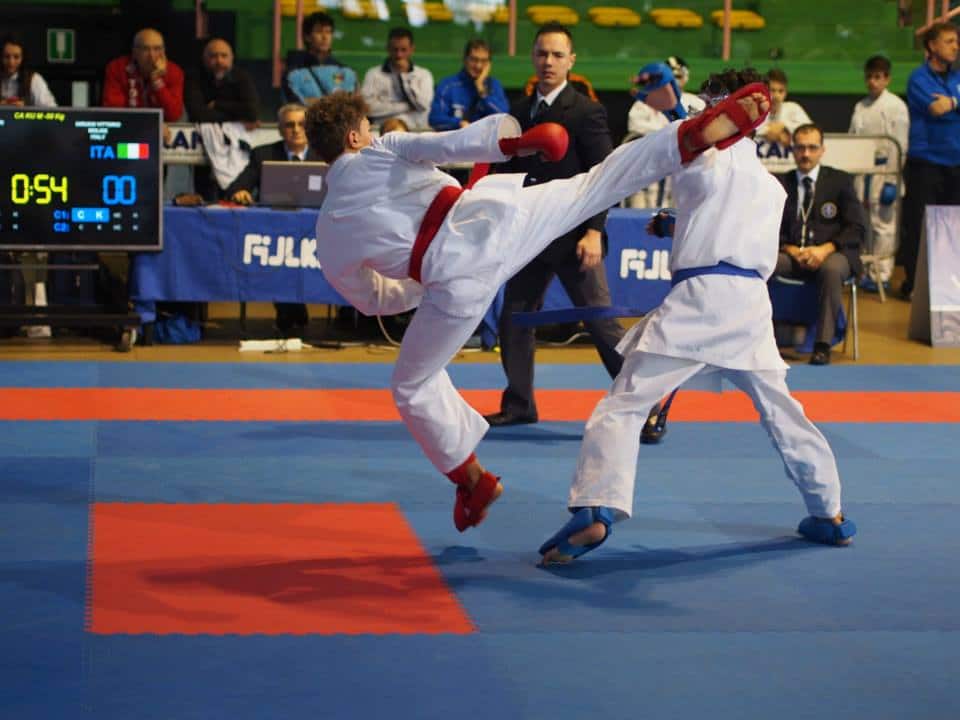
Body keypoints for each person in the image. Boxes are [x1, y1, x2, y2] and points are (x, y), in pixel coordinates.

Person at [305, 84, 771, 533]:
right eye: (367, 127)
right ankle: (684, 137)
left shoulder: (329, 232)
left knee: (411, 384)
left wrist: (414, 290)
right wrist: (516, 141)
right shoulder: (383, 149)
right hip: (495, 220)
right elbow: (452, 144)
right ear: (355, 136)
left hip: (452, 285)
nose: (372, 132)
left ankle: (472, 480)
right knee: (596, 184)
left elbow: (369, 298)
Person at [538, 70, 856, 566]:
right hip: (750, 305)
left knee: (624, 404)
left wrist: (670, 103)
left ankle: (596, 506)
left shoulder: (700, 154)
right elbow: (726, 214)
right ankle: (829, 512)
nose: (705, 112)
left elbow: (689, 140)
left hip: (700, 298)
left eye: (712, 104)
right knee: (783, 412)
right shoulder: (772, 187)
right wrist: (676, 223)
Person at [482, 23, 667, 441]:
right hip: (529, 236)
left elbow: (607, 177)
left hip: (575, 235)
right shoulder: (517, 113)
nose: (548, 62)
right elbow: (506, 172)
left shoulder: (586, 111)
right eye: (541, 54)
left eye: (556, 55)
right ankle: (519, 404)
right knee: (514, 318)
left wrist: (594, 232)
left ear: (571, 61)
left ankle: (647, 406)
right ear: (532, 57)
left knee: (602, 324)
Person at [775, 123, 867, 365]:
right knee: (762, 264)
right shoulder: (780, 183)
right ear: (792, 150)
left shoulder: (840, 181)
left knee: (832, 270)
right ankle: (759, 337)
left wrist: (825, 249)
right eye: (800, 148)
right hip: (791, 253)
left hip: (833, 252)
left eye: (812, 148)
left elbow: (857, 227)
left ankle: (822, 344)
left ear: (822, 150)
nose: (806, 154)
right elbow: (768, 227)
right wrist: (790, 249)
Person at [227, 103, 318, 337]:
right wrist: (240, 192)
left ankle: (294, 315)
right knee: (281, 256)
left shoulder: (325, 154)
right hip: (275, 232)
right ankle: (291, 313)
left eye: (302, 124)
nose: (296, 130)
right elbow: (235, 187)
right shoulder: (263, 154)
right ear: (279, 129)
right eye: (289, 125)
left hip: (317, 231)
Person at [897, 21, 960, 300]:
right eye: (949, 41)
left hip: (956, 164)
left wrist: (953, 102)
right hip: (926, 164)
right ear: (932, 46)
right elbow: (936, 108)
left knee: (954, 228)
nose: (956, 47)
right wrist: (953, 103)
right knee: (921, 227)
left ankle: (949, 287)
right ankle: (916, 285)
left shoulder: (957, 77)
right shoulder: (918, 78)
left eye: (956, 41)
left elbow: (946, 106)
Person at [848, 55, 909, 291]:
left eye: (878, 77)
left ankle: (882, 274)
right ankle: (865, 269)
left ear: (887, 79)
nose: (873, 81)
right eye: (869, 77)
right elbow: (852, 138)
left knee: (883, 225)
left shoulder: (896, 106)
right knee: (864, 223)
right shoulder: (860, 106)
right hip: (862, 171)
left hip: (885, 170)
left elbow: (900, 145)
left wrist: (893, 179)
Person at [184, 38, 260, 201]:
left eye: (224, 56)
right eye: (213, 56)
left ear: (232, 58)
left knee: (236, 195)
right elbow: (197, 113)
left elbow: (252, 112)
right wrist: (237, 116)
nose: (219, 61)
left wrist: (217, 105)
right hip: (202, 148)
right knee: (204, 198)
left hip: (237, 149)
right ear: (204, 59)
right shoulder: (194, 77)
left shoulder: (241, 77)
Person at [626, 56, 706, 208]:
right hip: (651, 161)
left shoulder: (695, 102)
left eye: (677, 76)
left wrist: (669, 133)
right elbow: (635, 129)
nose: (673, 82)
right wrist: (669, 134)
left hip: (685, 162)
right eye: (670, 77)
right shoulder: (644, 102)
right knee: (643, 200)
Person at [103, 28, 184, 126]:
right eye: (145, 49)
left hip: (163, 128)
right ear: (135, 52)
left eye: (157, 48)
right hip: (128, 127)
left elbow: (173, 115)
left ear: (164, 51)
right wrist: (151, 126)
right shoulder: (117, 68)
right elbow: (113, 111)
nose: (152, 55)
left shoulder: (174, 71)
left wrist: (157, 82)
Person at [361, 27, 434, 130]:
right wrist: (408, 106)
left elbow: (423, 105)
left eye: (403, 50)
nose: (399, 55)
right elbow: (367, 108)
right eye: (395, 49)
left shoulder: (424, 75)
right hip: (380, 130)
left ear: (412, 49)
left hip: (415, 130)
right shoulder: (373, 74)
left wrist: (403, 76)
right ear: (388, 48)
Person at [429, 39, 509, 131]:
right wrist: (459, 123)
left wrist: (481, 90)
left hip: (485, 139)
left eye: (484, 61)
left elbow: (504, 117)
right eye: (474, 59)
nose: (478, 66)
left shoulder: (494, 85)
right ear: (465, 59)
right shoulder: (448, 85)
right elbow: (435, 119)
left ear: (489, 64)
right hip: (456, 137)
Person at [283, 11, 357, 104]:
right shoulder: (293, 73)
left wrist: (312, 100)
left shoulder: (346, 71)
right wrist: (332, 101)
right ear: (307, 37)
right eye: (319, 32)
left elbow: (350, 104)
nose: (325, 37)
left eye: (328, 32)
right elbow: (295, 105)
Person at [756, 68, 811, 148]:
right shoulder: (755, 109)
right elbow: (747, 131)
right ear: (764, 91)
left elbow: (810, 130)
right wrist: (767, 131)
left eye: (781, 91)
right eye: (772, 90)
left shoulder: (793, 108)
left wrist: (783, 127)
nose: (776, 96)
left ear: (786, 93)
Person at [1, 34, 57, 106]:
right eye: (6, 56)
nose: (11, 62)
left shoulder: (34, 79)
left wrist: (25, 108)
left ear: (23, 58)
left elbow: (51, 110)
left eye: (16, 57)